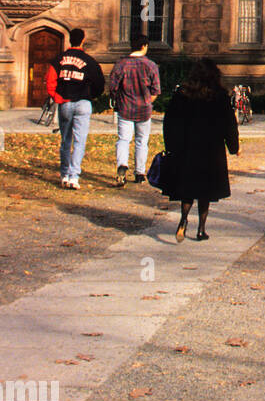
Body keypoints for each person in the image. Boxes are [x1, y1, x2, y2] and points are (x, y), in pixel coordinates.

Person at [162, 58, 238, 242]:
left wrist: (170, 145)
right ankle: (201, 229)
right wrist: (233, 146)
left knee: (188, 188)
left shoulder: (183, 93)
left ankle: (183, 220)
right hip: (211, 149)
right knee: (206, 191)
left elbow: (169, 120)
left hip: (186, 147)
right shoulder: (219, 96)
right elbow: (229, 123)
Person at [46, 28, 105, 190]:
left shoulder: (59, 59)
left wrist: (57, 97)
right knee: (80, 141)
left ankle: (64, 174)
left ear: (69, 39)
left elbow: (50, 81)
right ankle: (74, 177)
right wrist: (91, 95)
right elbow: (99, 83)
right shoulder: (90, 61)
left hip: (65, 102)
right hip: (83, 103)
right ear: (83, 40)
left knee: (66, 140)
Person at [107, 35, 161, 185]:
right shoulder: (151, 65)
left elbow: (113, 87)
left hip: (125, 107)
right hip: (144, 108)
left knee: (123, 139)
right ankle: (139, 172)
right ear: (144, 46)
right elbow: (156, 90)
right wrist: (147, 101)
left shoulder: (121, 64)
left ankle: (122, 164)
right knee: (142, 141)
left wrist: (117, 99)